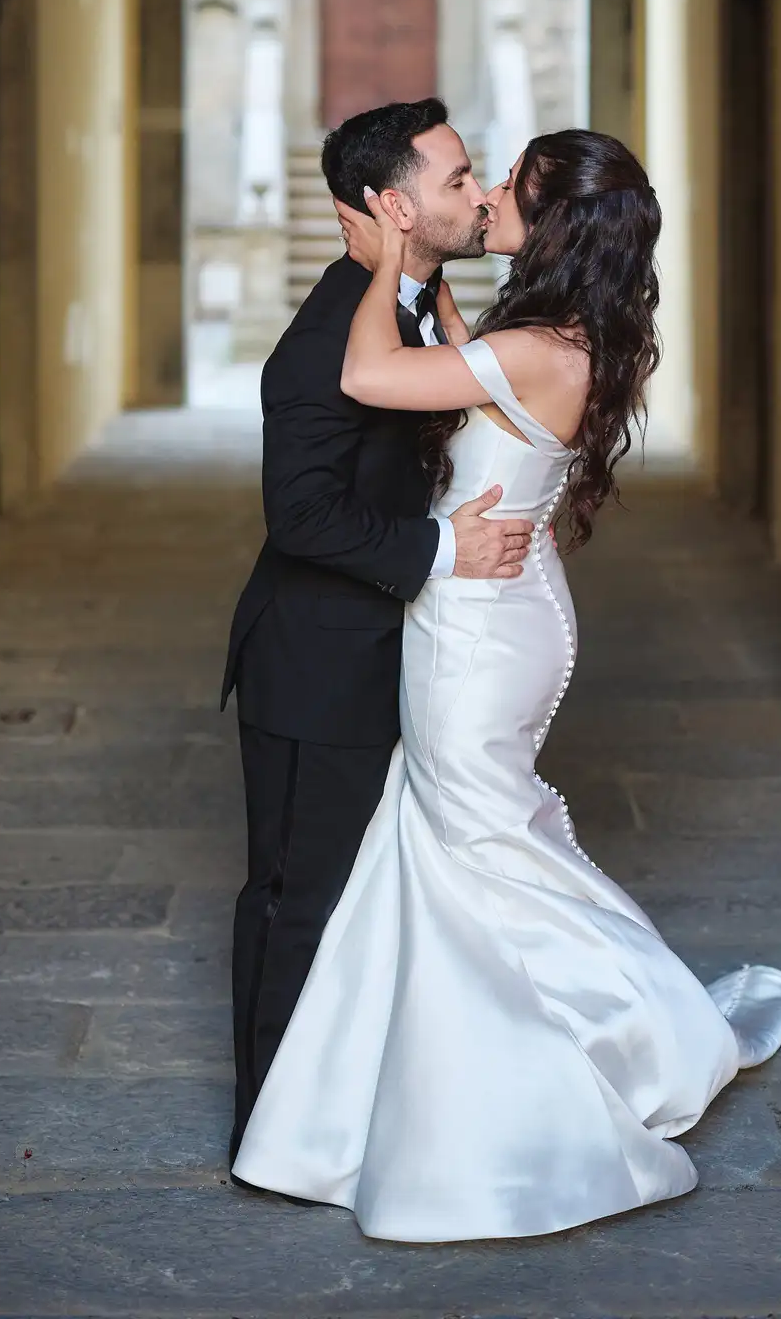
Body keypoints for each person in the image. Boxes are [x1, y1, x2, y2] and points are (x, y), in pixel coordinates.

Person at [232, 127, 781, 1242]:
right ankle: (610, 1029)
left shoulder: (542, 342)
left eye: (505, 186)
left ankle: (543, 1079)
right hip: (502, 607)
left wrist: (390, 257)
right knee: (490, 841)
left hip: (479, 633)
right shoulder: (553, 333)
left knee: (479, 849)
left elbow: (365, 377)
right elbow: (466, 386)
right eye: (469, 176)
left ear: (546, 227)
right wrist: (433, 301)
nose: (484, 192)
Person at [222, 99, 536, 1167]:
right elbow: (300, 517)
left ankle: (342, 1103)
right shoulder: (323, 344)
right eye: (457, 180)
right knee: (296, 896)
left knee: (356, 893)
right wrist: (447, 552)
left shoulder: (407, 303)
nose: (478, 192)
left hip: (377, 653)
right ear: (395, 205)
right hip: (312, 664)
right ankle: (268, 1128)